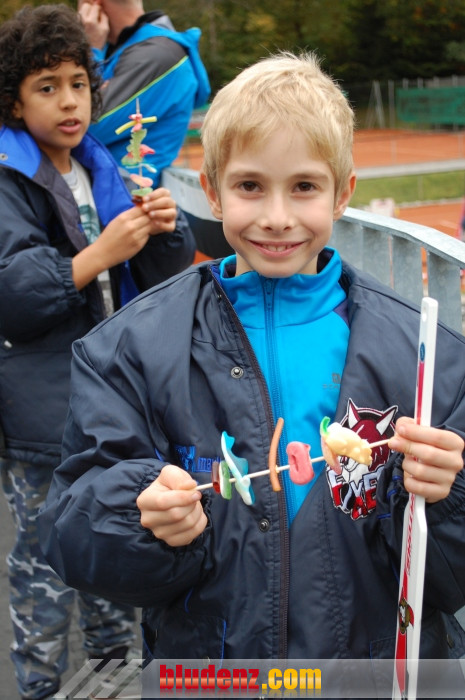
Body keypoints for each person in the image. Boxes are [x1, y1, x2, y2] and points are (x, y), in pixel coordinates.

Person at [39, 50, 465, 692]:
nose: (276, 216)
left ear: (343, 192)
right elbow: (71, 534)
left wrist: (450, 497)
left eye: (304, 187)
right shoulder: (130, 347)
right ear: (211, 191)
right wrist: (138, 516)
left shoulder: (428, 355)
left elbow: (449, 578)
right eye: (249, 187)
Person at [0, 5, 195, 700]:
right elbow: (16, 296)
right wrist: (101, 251)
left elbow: (160, 274)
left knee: (113, 535)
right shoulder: (8, 177)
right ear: (15, 102)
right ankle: (40, 684)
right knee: (45, 558)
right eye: (46, 87)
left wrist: (165, 229)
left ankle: (112, 672)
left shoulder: (99, 165)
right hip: (43, 408)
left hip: (110, 399)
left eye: (78, 84)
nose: (69, 102)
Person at [78, 0, 210, 186]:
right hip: (106, 192)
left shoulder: (157, 54)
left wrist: (90, 52)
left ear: (92, 3)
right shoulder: (127, 48)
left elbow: (79, 129)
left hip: (127, 196)